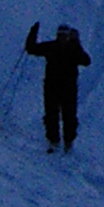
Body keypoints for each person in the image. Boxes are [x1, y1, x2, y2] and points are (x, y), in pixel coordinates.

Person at [25, 20, 91, 153]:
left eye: (64, 35)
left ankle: (68, 142)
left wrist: (77, 44)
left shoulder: (73, 49)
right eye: (60, 35)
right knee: (51, 115)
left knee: (69, 116)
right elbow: (31, 48)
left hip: (68, 88)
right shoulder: (52, 46)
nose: (62, 38)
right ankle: (53, 140)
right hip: (52, 87)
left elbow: (86, 61)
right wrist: (33, 32)